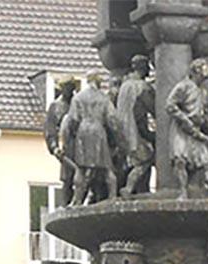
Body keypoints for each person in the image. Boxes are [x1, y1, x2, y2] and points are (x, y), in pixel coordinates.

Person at [165, 58, 208, 199]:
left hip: (196, 131)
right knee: (180, 160)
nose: (206, 71)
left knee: (206, 163)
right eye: (204, 68)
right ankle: (183, 191)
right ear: (197, 70)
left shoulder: (202, 92)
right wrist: (184, 120)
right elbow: (170, 105)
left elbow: (202, 114)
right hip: (181, 130)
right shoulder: (183, 86)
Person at [61, 75, 122, 205]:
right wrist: (117, 139)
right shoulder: (104, 98)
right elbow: (112, 120)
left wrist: (72, 136)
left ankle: (77, 199)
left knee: (81, 169)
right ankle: (112, 196)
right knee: (107, 167)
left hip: (83, 132)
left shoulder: (78, 97)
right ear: (98, 82)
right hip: (99, 131)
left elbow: (72, 119)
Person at [116, 55, 155, 197]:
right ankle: (129, 188)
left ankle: (138, 189)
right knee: (146, 159)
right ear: (143, 68)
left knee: (133, 161)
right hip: (135, 131)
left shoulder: (124, 85)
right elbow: (152, 108)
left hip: (123, 132)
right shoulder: (141, 86)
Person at [44, 78, 77, 206]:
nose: (69, 90)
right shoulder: (55, 107)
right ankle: (66, 206)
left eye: (71, 87)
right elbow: (50, 129)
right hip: (67, 148)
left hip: (81, 145)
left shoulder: (78, 102)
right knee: (67, 180)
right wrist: (54, 147)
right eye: (66, 87)